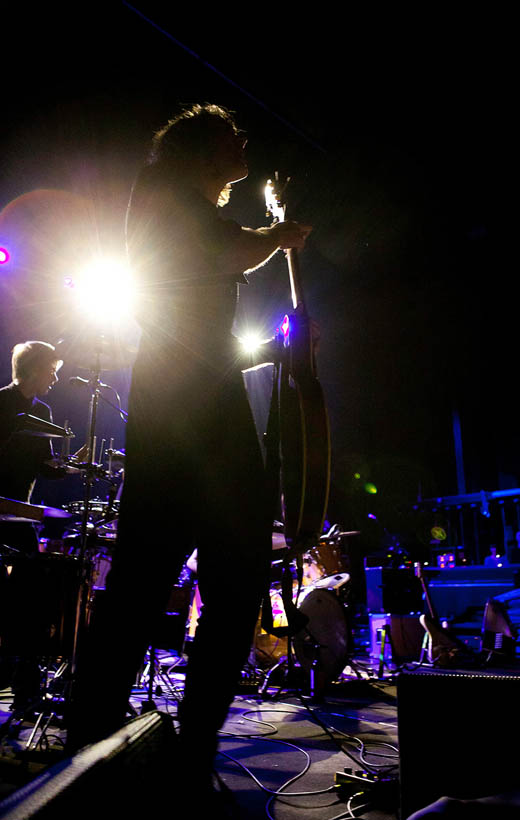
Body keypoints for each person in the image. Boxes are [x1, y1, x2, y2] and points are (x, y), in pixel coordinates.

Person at [67, 104, 312, 798]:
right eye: (232, 138)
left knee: (183, 577)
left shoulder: (183, 207)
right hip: (190, 404)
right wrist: (279, 233)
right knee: (202, 578)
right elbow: (226, 252)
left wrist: (278, 347)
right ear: (204, 150)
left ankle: (124, 742)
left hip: (190, 394)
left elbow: (207, 306)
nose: (243, 145)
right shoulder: (170, 199)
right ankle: (113, 743)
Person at [0, 341, 83, 704]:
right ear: (33, 370)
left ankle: (25, 688)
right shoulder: (1, 403)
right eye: (51, 369)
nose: (55, 377)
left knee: (29, 598)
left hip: (20, 513)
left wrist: (71, 467)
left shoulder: (43, 409)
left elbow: (43, 468)